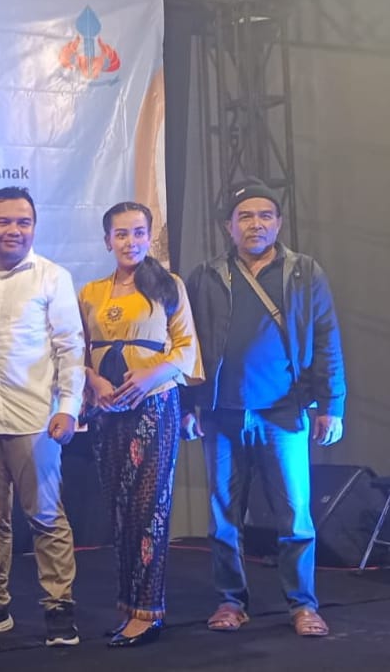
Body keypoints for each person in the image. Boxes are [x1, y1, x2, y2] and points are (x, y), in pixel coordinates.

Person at [182, 179, 345, 637]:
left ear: (278, 223)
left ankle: (303, 605)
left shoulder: (304, 272)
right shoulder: (206, 276)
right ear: (229, 226)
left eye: (265, 215)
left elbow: (327, 337)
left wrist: (332, 404)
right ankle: (231, 601)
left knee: (294, 515)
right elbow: (189, 347)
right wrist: (190, 406)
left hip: (283, 412)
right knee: (223, 517)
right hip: (222, 413)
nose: (256, 224)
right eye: (246, 216)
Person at [0, 187, 85, 646]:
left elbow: (71, 347)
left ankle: (59, 609)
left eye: (23, 222)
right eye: (4, 221)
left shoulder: (52, 277)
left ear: (34, 227)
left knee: (47, 518)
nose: (13, 230)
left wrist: (68, 408)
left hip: (36, 420)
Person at [78, 201, 203, 648]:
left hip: (153, 405)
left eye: (138, 233)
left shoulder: (169, 286)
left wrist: (150, 375)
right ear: (107, 240)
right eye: (121, 234)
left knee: (150, 509)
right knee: (119, 511)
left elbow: (186, 348)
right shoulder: (90, 292)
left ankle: (149, 611)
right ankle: (129, 606)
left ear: (150, 237)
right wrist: (92, 379)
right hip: (107, 410)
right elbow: (78, 349)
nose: (130, 241)